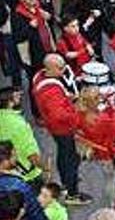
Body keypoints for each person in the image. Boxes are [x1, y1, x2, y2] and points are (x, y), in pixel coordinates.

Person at [31, 54, 90, 205]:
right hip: (63, 129)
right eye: (60, 67)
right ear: (49, 69)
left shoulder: (40, 77)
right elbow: (60, 115)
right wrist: (79, 113)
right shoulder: (50, 92)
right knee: (70, 158)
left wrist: (65, 98)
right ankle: (72, 193)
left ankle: (66, 180)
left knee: (64, 153)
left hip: (55, 128)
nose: (64, 69)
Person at [0, 142, 51, 220]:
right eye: (14, 155)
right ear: (5, 161)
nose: (16, 158)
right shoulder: (18, 186)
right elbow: (35, 215)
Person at [0, 87, 43, 191]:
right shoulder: (19, 124)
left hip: (9, 171)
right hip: (29, 174)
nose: (20, 99)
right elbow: (31, 153)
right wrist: (44, 168)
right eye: (17, 97)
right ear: (10, 102)